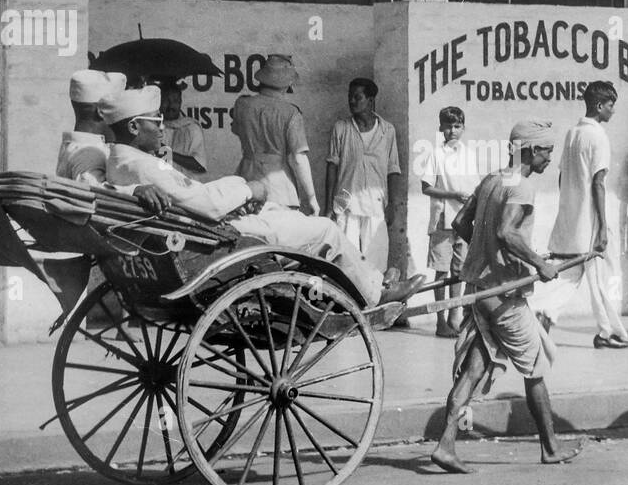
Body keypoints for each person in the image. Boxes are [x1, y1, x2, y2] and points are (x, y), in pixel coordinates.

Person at [100, 86, 419, 309]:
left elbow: (192, 195)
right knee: (325, 229)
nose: (161, 128)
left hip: (204, 229)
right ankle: (376, 292)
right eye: (154, 122)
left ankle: (373, 279)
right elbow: (206, 203)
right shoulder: (144, 167)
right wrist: (247, 187)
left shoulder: (122, 160)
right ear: (132, 126)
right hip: (217, 238)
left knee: (286, 216)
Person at [430, 119, 582, 474]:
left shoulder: (492, 179)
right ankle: (551, 448)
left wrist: (487, 255)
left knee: (474, 369)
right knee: (537, 368)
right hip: (505, 297)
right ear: (529, 150)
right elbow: (507, 232)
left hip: (479, 290)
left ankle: (445, 445)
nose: (549, 158)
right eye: (547, 151)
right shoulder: (522, 187)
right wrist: (536, 263)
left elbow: (461, 225)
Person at [531, 80, 628, 349]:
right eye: (611, 106)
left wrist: (568, 208)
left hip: (572, 219)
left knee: (572, 275)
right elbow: (598, 183)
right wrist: (601, 228)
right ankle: (608, 332)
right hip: (591, 222)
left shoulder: (573, 133)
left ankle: (546, 313)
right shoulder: (598, 136)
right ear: (599, 106)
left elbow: (563, 176)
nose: (613, 111)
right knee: (604, 277)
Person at [57, 69, 169, 213]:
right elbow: (93, 190)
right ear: (100, 112)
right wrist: (135, 190)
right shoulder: (88, 152)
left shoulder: (79, 145)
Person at [325, 78, 401, 272]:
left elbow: (393, 168)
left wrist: (392, 203)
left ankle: (374, 300)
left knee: (375, 262)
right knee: (344, 261)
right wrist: (328, 207)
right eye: (350, 97)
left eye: (357, 97)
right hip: (346, 203)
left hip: (376, 204)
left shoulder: (387, 130)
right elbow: (332, 167)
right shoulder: (341, 128)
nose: (352, 101)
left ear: (370, 100)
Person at [232, 54, 319, 213]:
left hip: (246, 180)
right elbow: (299, 159)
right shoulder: (291, 113)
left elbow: (236, 130)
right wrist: (311, 197)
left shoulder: (242, 104)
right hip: (279, 188)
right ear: (287, 84)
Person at [421, 106, 478, 337]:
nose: (452, 131)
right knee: (442, 272)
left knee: (460, 271)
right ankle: (440, 320)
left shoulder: (469, 154)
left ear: (463, 128)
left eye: (457, 126)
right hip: (443, 220)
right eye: (448, 126)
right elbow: (426, 187)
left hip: (463, 221)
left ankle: (455, 317)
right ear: (441, 128)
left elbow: (474, 188)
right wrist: (453, 194)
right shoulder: (436, 154)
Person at [155, 78, 207, 179]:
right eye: (166, 101)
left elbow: (200, 165)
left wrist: (167, 152)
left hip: (186, 188)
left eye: (175, 101)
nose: (171, 106)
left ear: (180, 102)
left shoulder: (191, 128)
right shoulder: (152, 127)